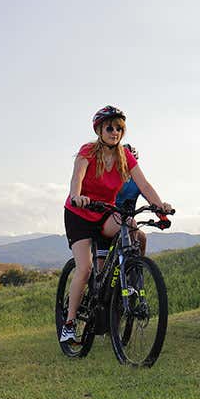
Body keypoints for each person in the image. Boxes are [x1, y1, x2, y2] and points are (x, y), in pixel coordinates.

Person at [62, 107, 173, 343]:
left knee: (131, 225)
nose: (115, 132)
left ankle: (129, 276)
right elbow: (77, 177)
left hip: (105, 212)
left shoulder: (125, 156)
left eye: (119, 128)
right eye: (110, 128)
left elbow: (144, 184)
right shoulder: (88, 151)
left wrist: (159, 205)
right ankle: (70, 323)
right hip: (80, 213)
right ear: (100, 130)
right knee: (84, 269)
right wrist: (76, 194)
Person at [115, 144, 149, 255]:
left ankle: (137, 268)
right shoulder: (112, 179)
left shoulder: (137, 182)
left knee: (142, 238)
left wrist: (161, 207)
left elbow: (149, 194)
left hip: (129, 224)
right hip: (110, 220)